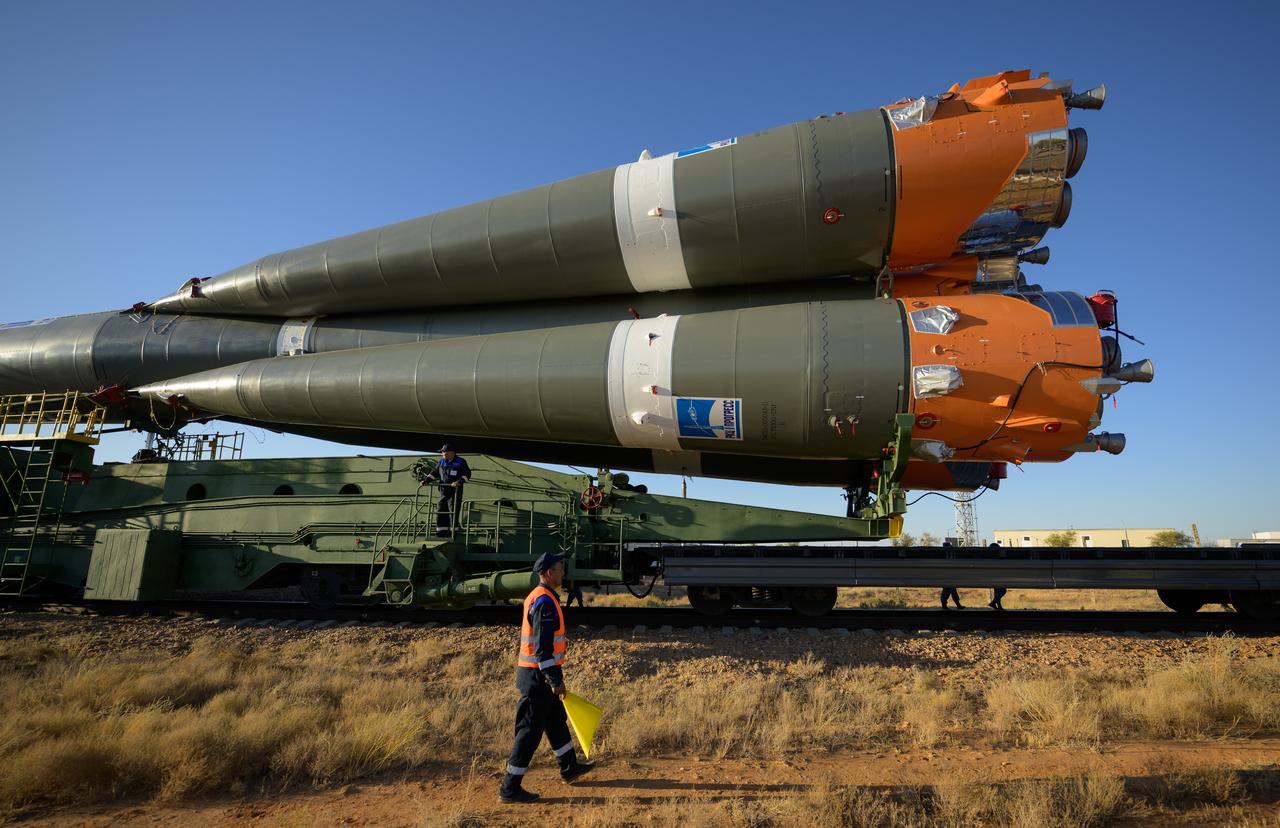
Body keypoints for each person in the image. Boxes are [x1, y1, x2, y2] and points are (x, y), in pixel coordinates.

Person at [499, 552, 594, 804]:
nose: (563, 572)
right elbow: (542, 650)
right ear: (549, 573)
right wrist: (554, 680)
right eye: (560, 568)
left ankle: (569, 768)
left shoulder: (540, 596)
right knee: (529, 733)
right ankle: (509, 788)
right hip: (538, 676)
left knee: (555, 721)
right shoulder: (544, 602)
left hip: (538, 673)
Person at [423, 444, 471, 536]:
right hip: (443, 491)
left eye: (444, 452)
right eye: (442, 452)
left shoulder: (460, 462)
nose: (442, 453)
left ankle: (452, 532)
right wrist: (426, 480)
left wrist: (458, 482)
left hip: (455, 492)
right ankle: (441, 531)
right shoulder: (441, 462)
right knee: (440, 509)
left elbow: (467, 475)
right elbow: (434, 473)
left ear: (451, 453)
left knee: (452, 510)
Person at [939, 539, 964, 609]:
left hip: (947, 576)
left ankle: (956, 605)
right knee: (949, 591)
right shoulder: (950, 554)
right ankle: (948, 605)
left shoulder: (944, 554)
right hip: (949, 576)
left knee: (951, 590)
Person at [987, 541, 1008, 610]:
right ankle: (994, 603)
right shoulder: (998, 557)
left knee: (997, 591)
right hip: (998, 577)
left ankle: (998, 606)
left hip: (992, 577)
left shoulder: (990, 558)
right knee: (1002, 590)